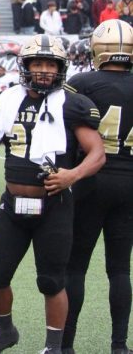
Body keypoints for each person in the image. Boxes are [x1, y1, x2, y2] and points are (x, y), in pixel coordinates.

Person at [0, 35, 105, 354]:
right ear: (26, 67)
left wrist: (71, 174)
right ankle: (5, 331)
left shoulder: (73, 104)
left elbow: (97, 153)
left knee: (51, 280)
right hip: (12, 206)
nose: (44, 70)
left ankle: (53, 346)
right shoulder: (7, 100)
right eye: (38, 63)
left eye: (50, 64)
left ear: (60, 69)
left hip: (54, 206)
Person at [63, 20, 133, 354]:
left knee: (75, 266)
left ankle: (65, 344)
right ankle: (119, 345)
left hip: (90, 179)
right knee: (120, 269)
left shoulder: (81, 82)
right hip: (129, 182)